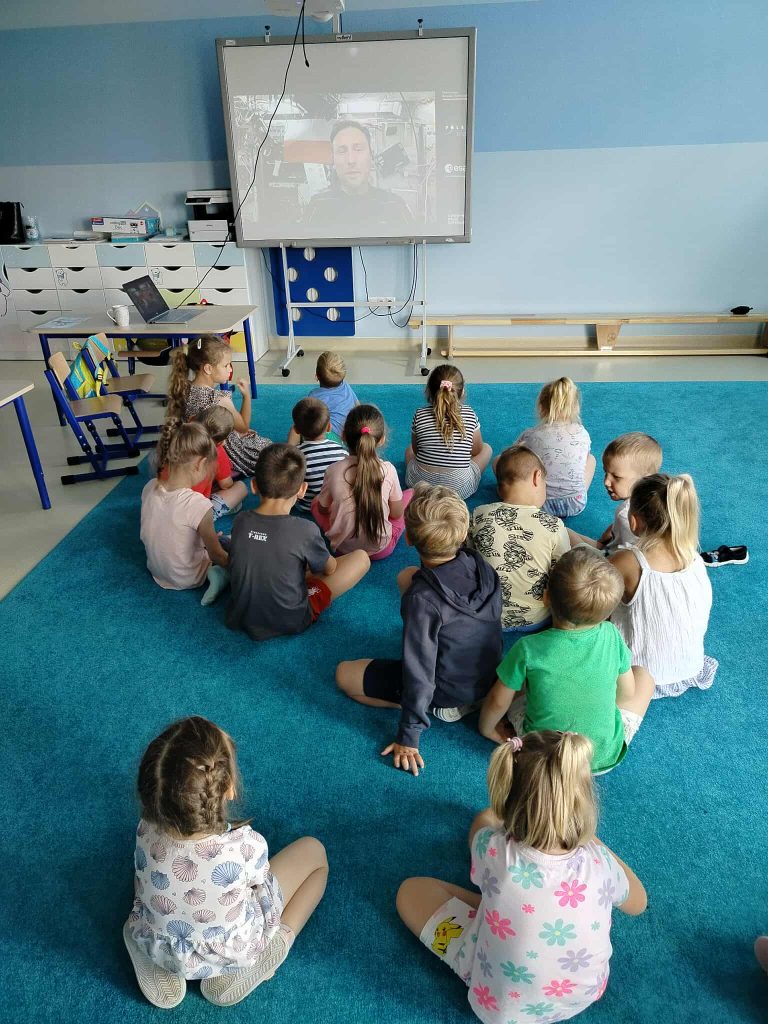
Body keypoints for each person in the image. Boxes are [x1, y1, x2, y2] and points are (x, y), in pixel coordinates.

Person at [396, 731, 647, 1024]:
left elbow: (484, 821)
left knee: (410, 891)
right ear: (584, 800)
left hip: (499, 1011)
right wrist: (592, 842)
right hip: (584, 993)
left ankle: (497, 918)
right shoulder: (600, 864)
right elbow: (638, 903)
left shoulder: (492, 849)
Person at [123, 716, 328, 1009]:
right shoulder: (246, 846)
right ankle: (273, 947)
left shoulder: (144, 830)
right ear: (228, 788)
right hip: (232, 950)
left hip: (159, 941)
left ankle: (154, 954)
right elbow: (259, 883)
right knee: (315, 853)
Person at [335, 483, 502, 776]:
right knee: (408, 577)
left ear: (409, 538)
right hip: (489, 677)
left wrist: (409, 736)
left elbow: (420, 671)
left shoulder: (421, 600)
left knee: (344, 674)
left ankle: (432, 708)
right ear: (463, 532)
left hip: (447, 692)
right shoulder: (482, 567)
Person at [479, 547, 656, 774]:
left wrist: (487, 729)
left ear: (546, 597)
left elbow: (497, 701)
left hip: (541, 757)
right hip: (601, 758)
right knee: (644, 676)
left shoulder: (528, 648)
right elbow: (626, 695)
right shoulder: (612, 634)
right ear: (607, 613)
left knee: (515, 685)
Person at [226, 443, 370, 641]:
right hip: (291, 618)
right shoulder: (305, 530)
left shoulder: (240, 521)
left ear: (254, 485)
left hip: (240, 614)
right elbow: (329, 569)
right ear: (302, 489)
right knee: (361, 558)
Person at [609, 473, 717, 699]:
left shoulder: (627, 562)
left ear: (633, 521)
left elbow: (592, 599)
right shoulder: (695, 559)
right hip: (688, 668)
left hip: (637, 677)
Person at [469, 446, 570, 638]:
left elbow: (467, 558)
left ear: (500, 487)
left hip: (487, 615)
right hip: (537, 618)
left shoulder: (479, 514)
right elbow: (563, 574)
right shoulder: (553, 525)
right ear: (537, 477)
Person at [140, 422, 229, 605]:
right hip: (189, 576)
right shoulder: (198, 504)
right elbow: (216, 555)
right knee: (231, 542)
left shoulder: (149, 488)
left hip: (157, 571)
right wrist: (243, 568)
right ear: (200, 464)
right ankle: (218, 576)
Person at [313, 404, 413, 560]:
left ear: (343, 436)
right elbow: (396, 514)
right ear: (381, 440)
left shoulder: (333, 470)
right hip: (381, 549)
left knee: (316, 502)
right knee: (411, 494)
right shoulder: (388, 470)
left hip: (342, 550)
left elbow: (323, 509)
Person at [165, 335, 271, 477]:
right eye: (226, 365)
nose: (230, 370)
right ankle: (228, 470)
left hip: (196, 449)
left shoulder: (183, 389)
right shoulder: (220, 399)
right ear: (208, 368)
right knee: (267, 447)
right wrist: (246, 396)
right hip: (223, 453)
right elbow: (244, 427)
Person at [303, 120, 413, 233]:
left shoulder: (394, 206)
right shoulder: (318, 207)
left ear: (371, 156)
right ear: (333, 159)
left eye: (358, 149)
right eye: (342, 151)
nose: (351, 160)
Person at [406, 364, 492, 500]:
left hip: (421, 486)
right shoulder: (469, 413)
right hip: (458, 489)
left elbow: (416, 451)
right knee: (487, 448)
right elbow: (476, 450)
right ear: (462, 391)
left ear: (429, 391)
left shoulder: (420, 414)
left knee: (408, 450)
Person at [514, 377, 595, 518]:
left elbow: (512, 458)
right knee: (591, 459)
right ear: (575, 407)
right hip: (575, 503)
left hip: (539, 504)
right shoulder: (582, 433)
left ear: (541, 407)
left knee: (502, 462)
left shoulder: (531, 435)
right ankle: (576, 491)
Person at [569, 433, 662, 553]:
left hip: (610, 560)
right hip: (616, 550)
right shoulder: (656, 499)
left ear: (644, 479)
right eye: (606, 472)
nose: (606, 482)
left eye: (616, 477)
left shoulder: (625, 514)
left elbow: (630, 555)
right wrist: (610, 532)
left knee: (563, 532)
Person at [157, 405, 248, 520]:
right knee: (241, 487)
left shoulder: (174, 439)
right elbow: (226, 485)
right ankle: (208, 515)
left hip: (164, 503)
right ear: (221, 442)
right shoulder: (218, 452)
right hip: (192, 510)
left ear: (191, 419)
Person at [288, 397, 347, 513]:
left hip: (306, 506)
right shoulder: (342, 451)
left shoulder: (295, 456)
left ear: (296, 430)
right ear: (329, 427)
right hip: (334, 504)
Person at [286, 351, 358, 443]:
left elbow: (307, 420)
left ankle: (289, 451)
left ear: (317, 376)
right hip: (350, 436)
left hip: (330, 436)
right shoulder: (346, 386)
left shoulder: (314, 396)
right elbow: (358, 406)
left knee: (295, 429)